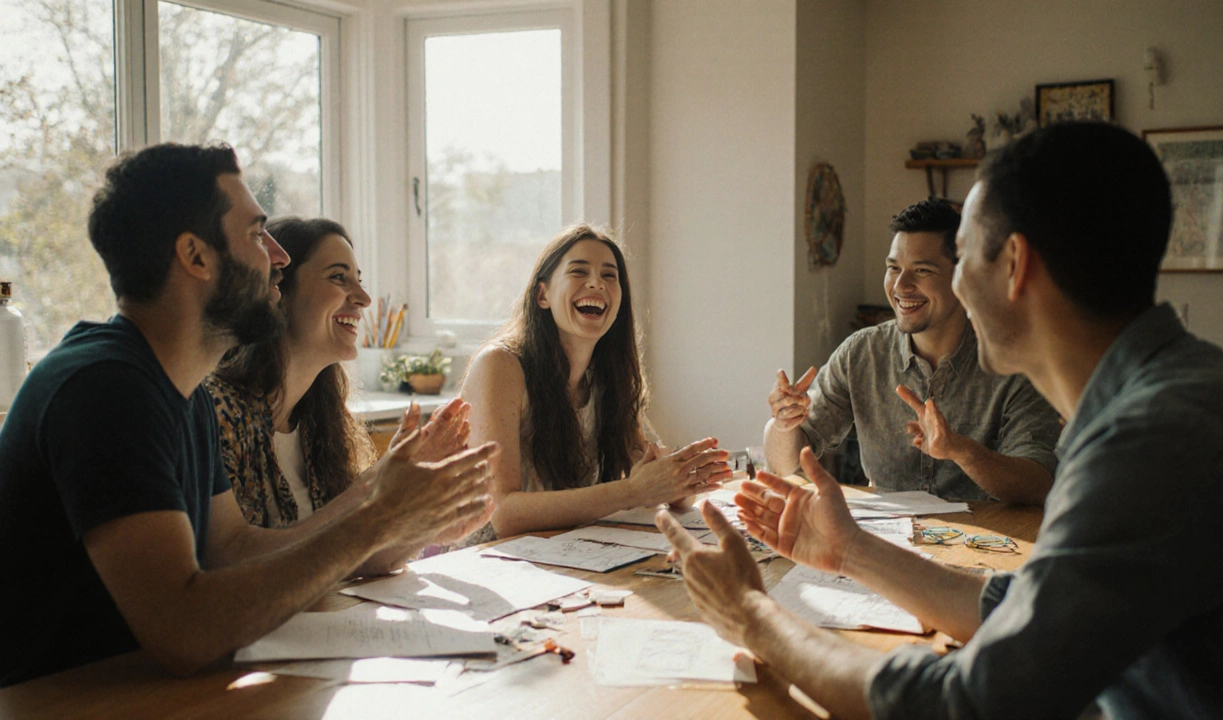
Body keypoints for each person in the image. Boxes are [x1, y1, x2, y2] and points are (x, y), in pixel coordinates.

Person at [659, 123, 1223, 718]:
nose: (938, 284)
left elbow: (966, 703)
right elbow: (1029, 612)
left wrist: (752, 617)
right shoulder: (1178, 397)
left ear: (1016, 265)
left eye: (959, 260)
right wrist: (850, 550)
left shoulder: (1156, 441)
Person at [0, 144, 497, 687]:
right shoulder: (104, 390)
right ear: (196, 256)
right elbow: (183, 632)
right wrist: (377, 516)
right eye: (259, 234)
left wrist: (386, 507)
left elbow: (231, 550)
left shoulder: (178, 390)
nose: (278, 257)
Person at [205, 216, 471, 574]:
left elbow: (350, 556)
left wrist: (428, 522)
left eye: (358, 281)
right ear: (278, 291)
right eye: (338, 277)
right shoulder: (217, 411)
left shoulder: (322, 417)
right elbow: (232, 568)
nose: (362, 299)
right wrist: (374, 485)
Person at [767, 198, 1059, 504]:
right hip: (886, 540)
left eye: (922, 270)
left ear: (963, 278)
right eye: (894, 268)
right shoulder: (860, 353)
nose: (900, 286)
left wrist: (960, 450)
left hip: (987, 547)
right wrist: (784, 424)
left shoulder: (1015, 362)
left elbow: (1038, 484)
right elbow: (787, 463)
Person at [459, 224, 731, 541]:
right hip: (491, 561)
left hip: (568, 555)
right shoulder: (500, 364)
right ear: (542, 294)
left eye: (609, 275)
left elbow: (648, 472)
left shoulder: (608, 377)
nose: (596, 283)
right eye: (578, 271)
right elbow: (502, 513)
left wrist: (680, 483)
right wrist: (633, 491)